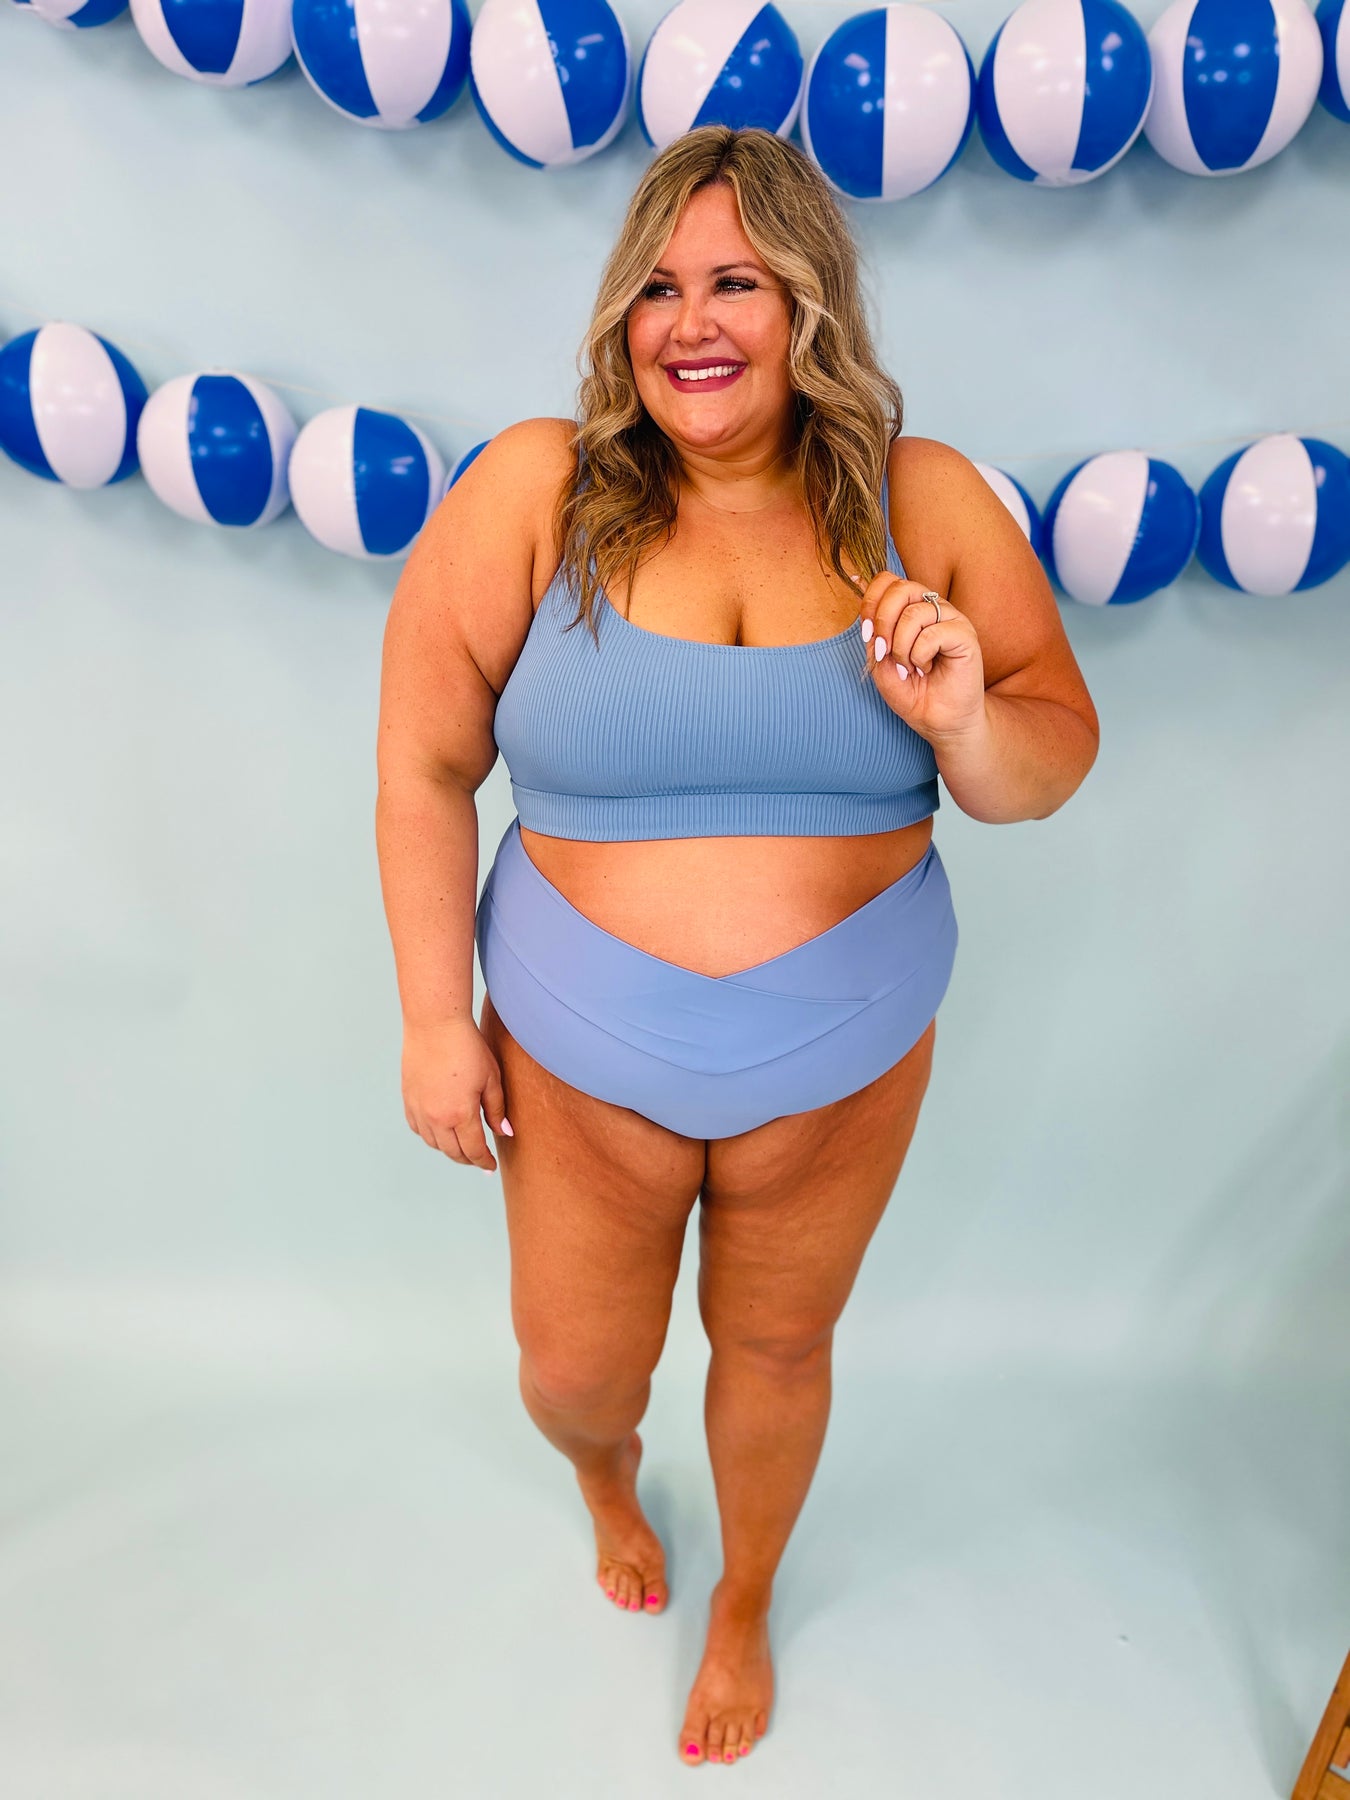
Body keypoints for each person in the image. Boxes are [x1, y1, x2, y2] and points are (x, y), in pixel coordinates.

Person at [375, 125, 1098, 1768]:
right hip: (574, 1051)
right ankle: (605, 1478)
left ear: (809, 307)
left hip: (841, 1055)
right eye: (657, 288)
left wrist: (964, 720)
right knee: (571, 1373)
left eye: (736, 284)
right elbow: (421, 762)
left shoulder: (920, 500)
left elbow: (1049, 760)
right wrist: (431, 1018)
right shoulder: (536, 489)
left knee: (777, 1348)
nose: (690, 323)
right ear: (619, 317)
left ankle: (746, 1602)